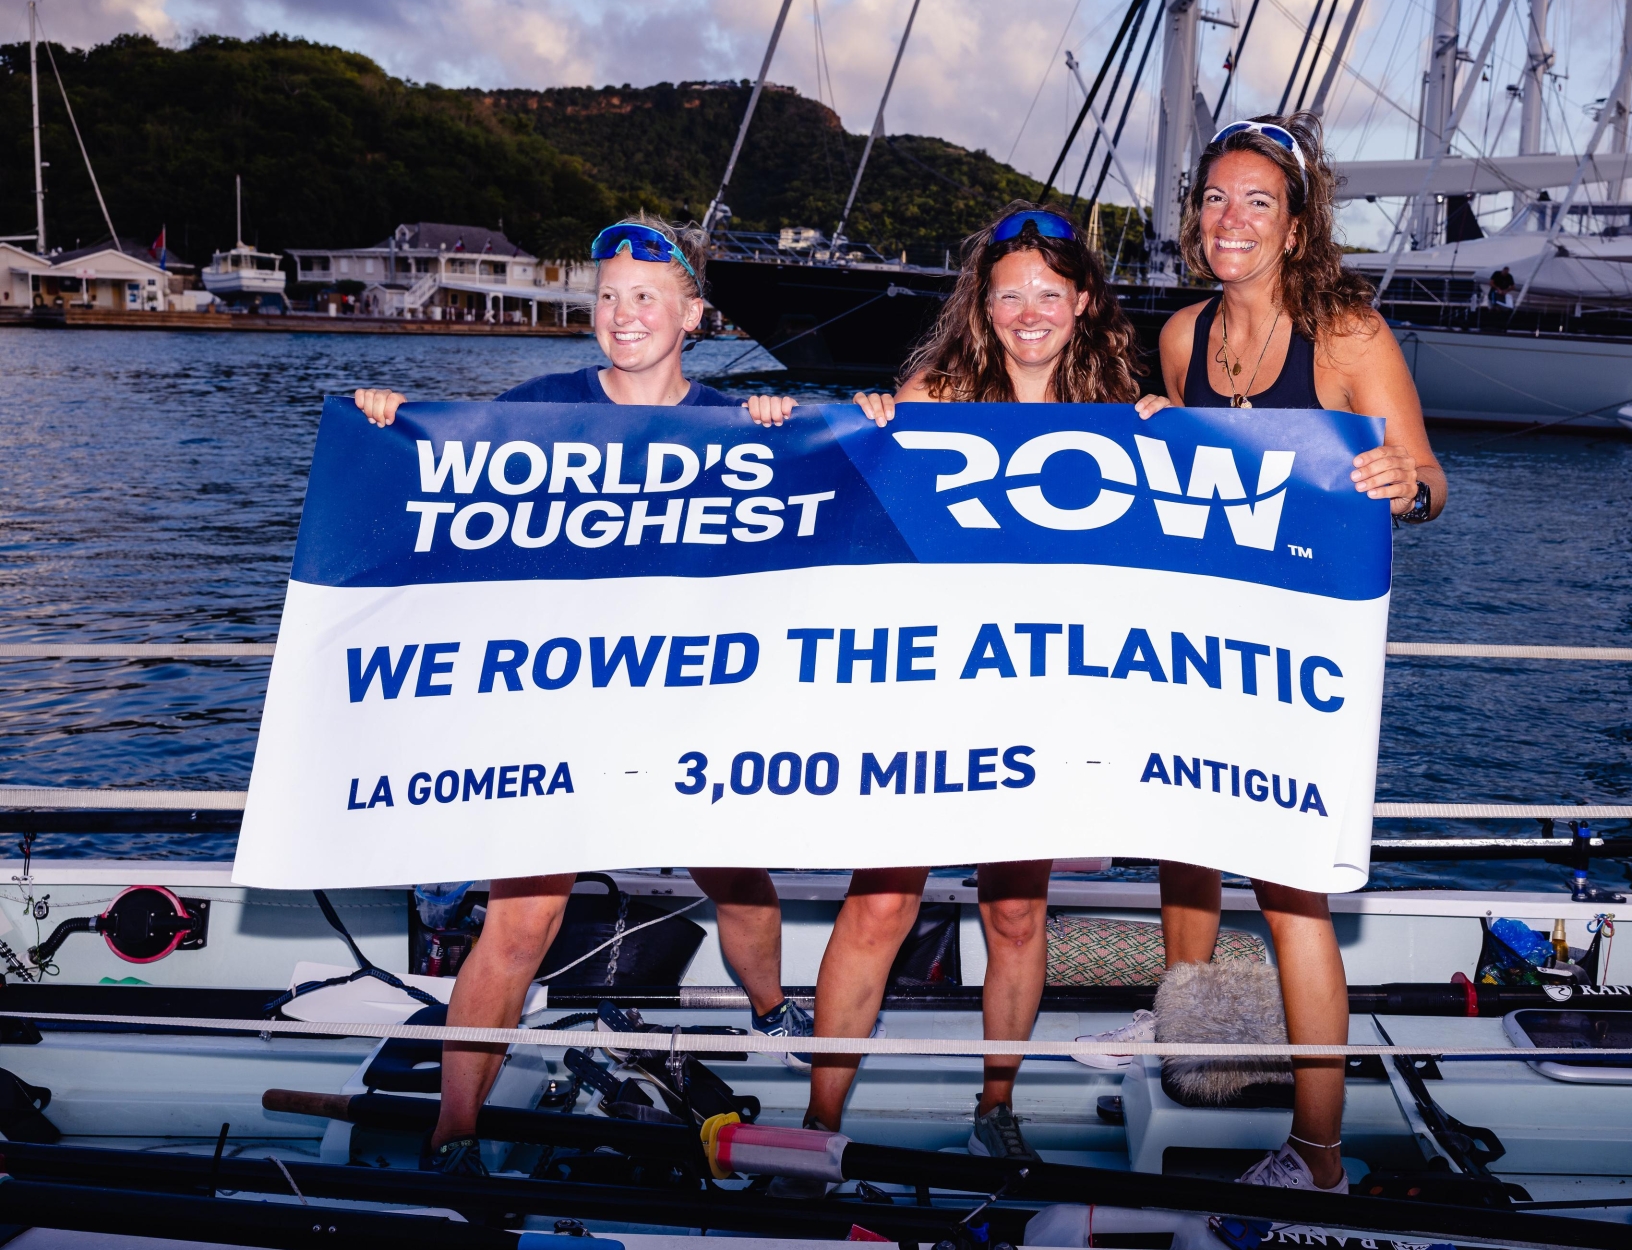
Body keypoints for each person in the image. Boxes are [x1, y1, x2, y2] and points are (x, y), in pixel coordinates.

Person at [351, 215, 814, 1175]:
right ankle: (455, 1133)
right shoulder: (538, 407)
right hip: (564, 704)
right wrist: (395, 422)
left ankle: (773, 1011)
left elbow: (830, 496)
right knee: (521, 920)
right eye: (606, 296)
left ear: (692, 313)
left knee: (738, 879)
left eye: (646, 296)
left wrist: (783, 425)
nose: (622, 313)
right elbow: (446, 467)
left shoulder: (735, 419)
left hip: (687, 699)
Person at [1075, 116, 1447, 1195]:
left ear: (1295, 225)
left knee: (1292, 893)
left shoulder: (1347, 337)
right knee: (1181, 837)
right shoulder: (1185, 337)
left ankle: (1320, 1157)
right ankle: (1178, 1014)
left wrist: (1400, 483)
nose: (1230, 220)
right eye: (1215, 199)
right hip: (1199, 638)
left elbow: (1429, 477)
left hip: (1295, 658)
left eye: (1257, 203)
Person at [748, 203, 1164, 1166]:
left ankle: (997, 1104)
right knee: (880, 906)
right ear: (983, 302)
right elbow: (847, 497)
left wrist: (1170, 435)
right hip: (930, 692)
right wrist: (833, 424)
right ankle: (820, 1120)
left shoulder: (1125, 413)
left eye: (1047, 294)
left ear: (1083, 301)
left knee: (1016, 913)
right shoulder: (934, 391)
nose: (1027, 311)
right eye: (1007, 291)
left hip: (1045, 695)